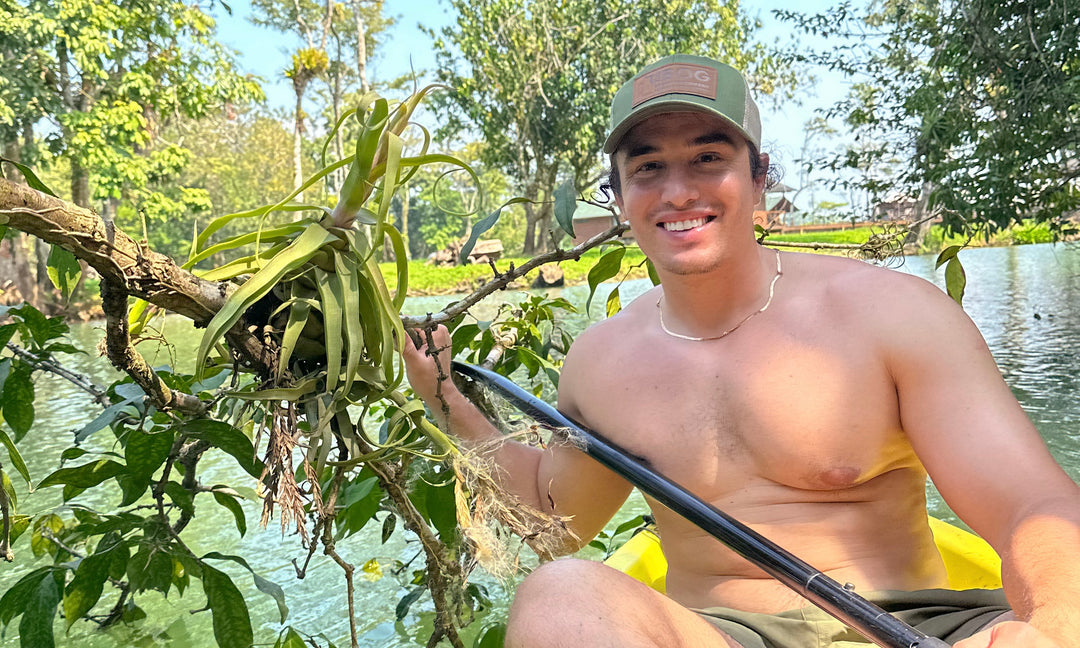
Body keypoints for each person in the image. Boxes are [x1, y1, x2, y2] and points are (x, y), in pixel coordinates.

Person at [402, 54, 1080, 648]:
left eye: (707, 158)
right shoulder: (602, 360)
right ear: (618, 199)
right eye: (647, 168)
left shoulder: (891, 313)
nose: (677, 191)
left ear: (758, 179)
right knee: (559, 595)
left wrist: (1053, 623)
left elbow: (1031, 503)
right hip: (719, 633)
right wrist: (445, 396)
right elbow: (554, 526)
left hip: (917, 622)